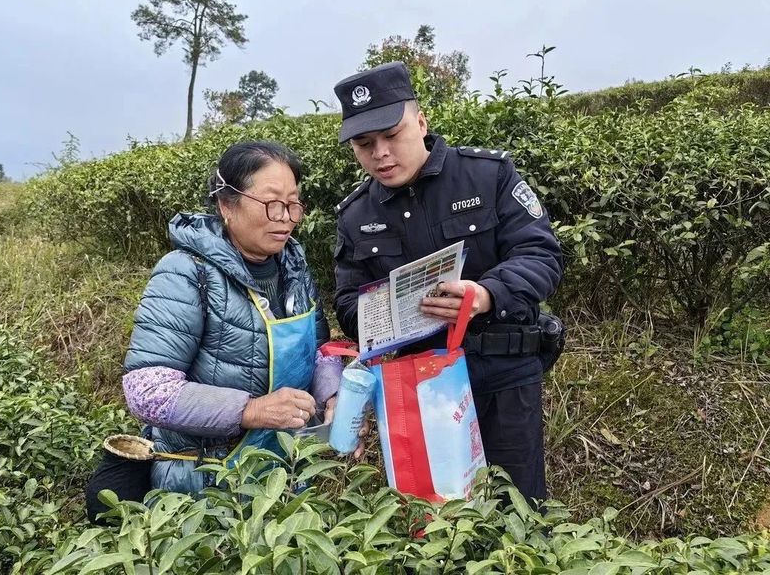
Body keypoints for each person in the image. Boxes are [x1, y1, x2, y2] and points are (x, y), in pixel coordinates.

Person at [332, 62, 563, 501]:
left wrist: (487, 294)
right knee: (434, 512)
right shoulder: (356, 216)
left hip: (503, 375)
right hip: (417, 389)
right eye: (364, 144)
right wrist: (388, 311)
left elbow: (540, 254)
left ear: (421, 122)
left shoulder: (488, 175)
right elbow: (347, 303)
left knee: (517, 507)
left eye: (392, 136)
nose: (380, 153)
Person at [120, 140, 341, 494]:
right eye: (271, 204)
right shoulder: (185, 273)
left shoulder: (293, 267)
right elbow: (147, 390)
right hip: (207, 481)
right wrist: (251, 410)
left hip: (287, 469)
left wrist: (332, 394)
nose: (285, 218)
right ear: (227, 204)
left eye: (293, 204)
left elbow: (319, 348)